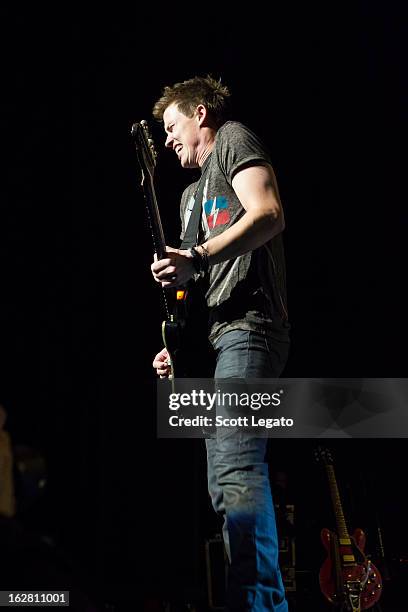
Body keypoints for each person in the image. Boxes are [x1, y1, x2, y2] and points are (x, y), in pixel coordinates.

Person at [151, 76, 290, 612]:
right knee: (223, 483)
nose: (167, 140)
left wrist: (199, 256)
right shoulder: (189, 198)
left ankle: (256, 604)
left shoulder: (232, 138)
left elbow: (270, 213)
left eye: (172, 126)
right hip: (213, 341)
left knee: (236, 469)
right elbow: (193, 288)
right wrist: (174, 343)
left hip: (251, 327)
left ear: (200, 113)